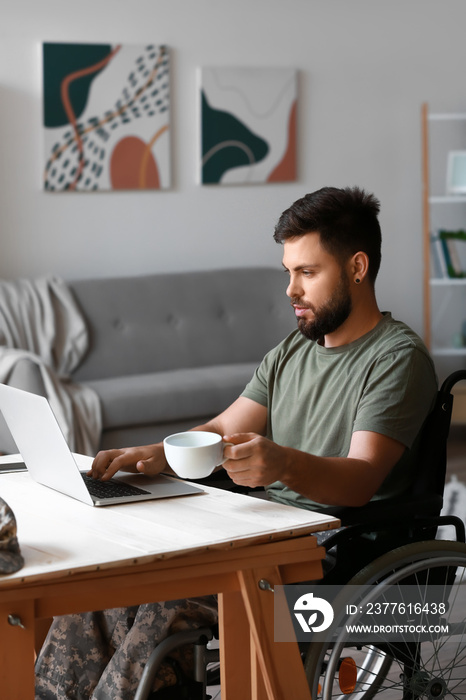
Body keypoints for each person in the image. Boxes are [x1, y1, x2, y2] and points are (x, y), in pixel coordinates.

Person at [35, 186, 438, 699]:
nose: (291, 290)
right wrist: (157, 454)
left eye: (307, 273)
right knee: (107, 590)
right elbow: (225, 427)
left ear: (357, 267)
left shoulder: (396, 359)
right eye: (288, 272)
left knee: (164, 607)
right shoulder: (293, 350)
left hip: (339, 555)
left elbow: (360, 478)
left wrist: (282, 465)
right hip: (267, 534)